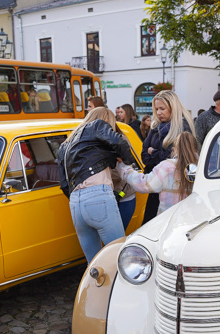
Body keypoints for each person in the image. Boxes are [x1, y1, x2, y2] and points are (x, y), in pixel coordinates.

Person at [57, 107, 132, 263]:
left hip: (75, 203)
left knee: (94, 264)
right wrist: (126, 161)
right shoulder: (97, 125)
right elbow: (120, 142)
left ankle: (96, 287)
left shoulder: (65, 145)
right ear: (106, 121)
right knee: (119, 256)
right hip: (99, 195)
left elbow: (64, 185)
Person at [140, 90, 195, 223]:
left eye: (162, 108)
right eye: (156, 109)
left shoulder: (182, 126)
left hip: (175, 187)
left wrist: (153, 152)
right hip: (156, 184)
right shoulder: (155, 127)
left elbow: (173, 158)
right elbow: (144, 155)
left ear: (173, 107)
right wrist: (158, 154)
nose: (158, 112)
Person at [117, 132, 199, 216]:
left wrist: (125, 169)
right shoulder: (203, 167)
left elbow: (144, 184)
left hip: (169, 220)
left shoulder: (167, 166)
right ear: (196, 149)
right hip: (195, 220)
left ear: (174, 149)